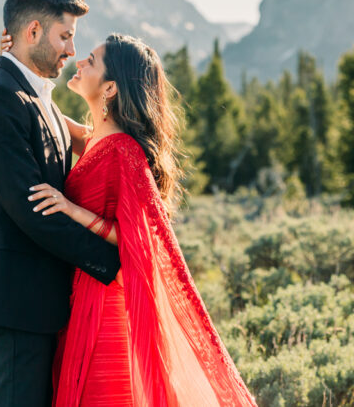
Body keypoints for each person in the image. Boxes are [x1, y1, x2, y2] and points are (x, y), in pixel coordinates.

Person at [21, 33, 257, 405]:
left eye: (92, 61)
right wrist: (15, 54)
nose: (80, 62)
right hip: (83, 295)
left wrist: (72, 210)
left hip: (108, 308)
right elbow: (38, 105)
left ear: (111, 88)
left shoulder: (124, 151)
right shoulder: (98, 138)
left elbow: (143, 239)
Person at [0, 0, 122, 407]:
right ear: (33, 32)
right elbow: (33, 211)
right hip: (19, 305)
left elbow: (98, 141)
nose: (71, 50)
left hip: (48, 302)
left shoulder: (41, 99)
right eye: (65, 36)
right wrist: (113, 260)